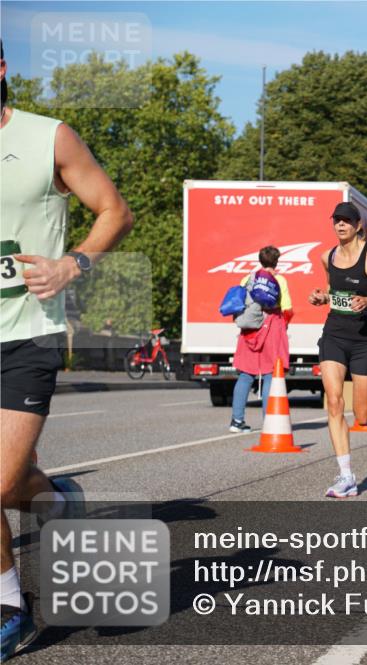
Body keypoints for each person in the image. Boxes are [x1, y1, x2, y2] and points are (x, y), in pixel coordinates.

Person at [0, 40, 134, 660]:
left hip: (28, 332)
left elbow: (114, 211)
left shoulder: (47, 136)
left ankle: (49, 509)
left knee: (1, 482)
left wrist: (71, 265)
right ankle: (12, 601)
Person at [308, 201, 367, 498]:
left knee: (361, 416)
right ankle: (346, 476)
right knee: (334, 402)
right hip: (334, 335)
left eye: (346, 220)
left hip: (366, 340)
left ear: (358, 226)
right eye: (337, 220)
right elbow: (333, 291)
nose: (341, 225)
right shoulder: (327, 256)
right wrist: (322, 297)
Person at [229, 246, 293, 432]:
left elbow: (240, 303)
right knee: (270, 374)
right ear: (276, 262)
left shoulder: (247, 278)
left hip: (250, 329)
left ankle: (237, 421)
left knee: (245, 375)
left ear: (260, 260)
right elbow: (287, 308)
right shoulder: (280, 280)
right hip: (272, 328)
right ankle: (269, 422)